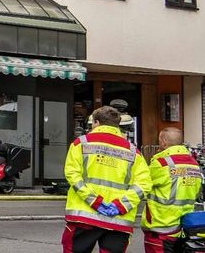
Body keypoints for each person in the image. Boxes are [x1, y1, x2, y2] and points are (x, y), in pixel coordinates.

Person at [63, 106, 151, 253]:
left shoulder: (81, 143)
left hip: (84, 216)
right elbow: (144, 185)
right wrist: (120, 205)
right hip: (118, 219)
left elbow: (73, 175)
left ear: (96, 122)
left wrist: (95, 201)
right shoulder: (133, 152)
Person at [142, 127, 201, 253]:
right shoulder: (194, 164)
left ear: (164, 142)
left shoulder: (161, 163)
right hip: (185, 225)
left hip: (161, 226)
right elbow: (196, 192)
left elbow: (142, 183)